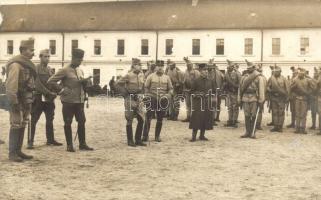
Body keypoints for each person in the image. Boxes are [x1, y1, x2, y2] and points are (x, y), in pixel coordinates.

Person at [48, 48, 94, 152]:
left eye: (81, 60)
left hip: (79, 101)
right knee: (68, 122)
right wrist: (62, 90)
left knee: (82, 121)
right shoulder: (65, 69)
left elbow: (80, 84)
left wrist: (85, 83)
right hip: (68, 101)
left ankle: (82, 144)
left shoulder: (79, 70)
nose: (80, 62)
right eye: (78, 60)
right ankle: (69, 145)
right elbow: (51, 81)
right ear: (73, 58)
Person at [6, 38, 36, 162]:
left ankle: (18, 151)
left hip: (26, 99)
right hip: (17, 101)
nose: (33, 52)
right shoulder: (16, 65)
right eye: (31, 50)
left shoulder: (27, 64)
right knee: (16, 124)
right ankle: (12, 153)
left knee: (23, 123)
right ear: (23, 50)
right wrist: (14, 102)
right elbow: (11, 85)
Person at [28, 49, 62, 149]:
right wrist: (48, 93)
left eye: (48, 56)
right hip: (38, 98)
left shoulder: (49, 69)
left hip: (49, 99)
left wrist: (60, 90)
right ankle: (30, 141)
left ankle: (50, 140)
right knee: (34, 119)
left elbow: (53, 83)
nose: (47, 58)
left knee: (50, 119)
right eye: (45, 56)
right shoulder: (35, 68)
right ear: (40, 57)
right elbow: (37, 84)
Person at [115, 58, 146, 147]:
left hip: (139, 98)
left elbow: (143, 86)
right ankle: (130, 140)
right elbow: (117, 84)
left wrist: (143, 95)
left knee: (141, 119)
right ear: (133, 65)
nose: (140, 66)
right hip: (130, 98)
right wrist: (125, 94)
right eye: (138, 64)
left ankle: (138, 139)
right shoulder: (128, 75)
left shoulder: (141, 75)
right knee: (130, 119)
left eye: (140, 65)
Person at [142, 60, 173, 142]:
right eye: (158, 66)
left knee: (160, 119)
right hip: (152, 98)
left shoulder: (167, 78)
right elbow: (146, 87)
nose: (160, 68)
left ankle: (157, 136)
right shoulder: (150, 76)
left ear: (163, 67)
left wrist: (168, 95)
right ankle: (145, 135)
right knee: (148, 118)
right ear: (156, 67)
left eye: (161, 66)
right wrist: (147, 95)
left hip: (162, 100)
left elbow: (170, 89)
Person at [238, 60, 265, 139]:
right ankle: (247, 131)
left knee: (253, 116)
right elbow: (240, 89)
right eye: (248, 68)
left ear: (254, 68)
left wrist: (261, 100)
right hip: (245, 98)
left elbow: (261, 89)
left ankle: (253, 132)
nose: (249, 69)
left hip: (254, 98)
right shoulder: (244, 77)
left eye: (251, 68)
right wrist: (239, 99)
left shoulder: (258, 77)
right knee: (246, 115)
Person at [189, 63, 216, 142]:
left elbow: (214, 91)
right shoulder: (196, 81)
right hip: (198, 103)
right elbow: (191, 92)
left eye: (207, 70)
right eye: (204, 70)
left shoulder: (210, 81)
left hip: (207, 102)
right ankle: (193, 136)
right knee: (196, 119)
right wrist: (198, 94)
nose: (206, 71)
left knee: (205, 118)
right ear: (200, 71)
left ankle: (202, 135)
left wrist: (212, 97)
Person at [290, 68, 316, 134]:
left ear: (304, 73)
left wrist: (308, 93)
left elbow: (313, 88)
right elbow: (291, 88)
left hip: (305, 99)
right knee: (297, 114)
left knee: (303, 114)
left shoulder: (308, 80)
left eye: (302, 73)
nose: (300, 74)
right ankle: (297, 128)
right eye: (299, 73)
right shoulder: (295, 80)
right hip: (297, 98)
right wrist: (294, 94)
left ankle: (303, 128)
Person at [266, 65, 289, 132]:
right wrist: (270, 91)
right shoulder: (271, 78)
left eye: (277, 72)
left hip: (281, 98)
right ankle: (275, 126)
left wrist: (287, 97)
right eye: (275, 72)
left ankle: (280, 126)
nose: (275, 73)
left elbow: (287, 88)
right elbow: (267, 87)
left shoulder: (284, 79)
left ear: (280, 72)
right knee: (275, 112)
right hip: (274, 98)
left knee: (281, 112)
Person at [182, 57, 200, 122]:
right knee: (188, 104)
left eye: (189, 65)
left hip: (194, 91)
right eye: (187, 65)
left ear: (192, 65)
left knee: (194, 104)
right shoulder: (185, 72)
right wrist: (184, 90)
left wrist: (195, 90)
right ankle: (188, 116)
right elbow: (183, 81)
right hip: (187, 91)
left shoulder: (196, 72)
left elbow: (198, 82)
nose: (188, 66)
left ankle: (194, 117)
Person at [224, 60, 241, 128]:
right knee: (229, 107)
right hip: (229, 92)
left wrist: (236, 88)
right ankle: (230, 120)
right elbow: (224, 81)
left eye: (229, 67)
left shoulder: (237, 73)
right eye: (228, 67)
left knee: (235, 107)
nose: (228, 68)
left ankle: (234, 121)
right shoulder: (226, 74)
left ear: (232, 67)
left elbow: (240, 83)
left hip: (235, 92)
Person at [255, 64, 267, 130]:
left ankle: (258, 124)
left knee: (258, 111)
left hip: (260, 96)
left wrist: (261, 98)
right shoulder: (264, 77)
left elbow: (263, 88)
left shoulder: (262, 78)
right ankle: (257, 124)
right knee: (258, 111)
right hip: (260, 96)